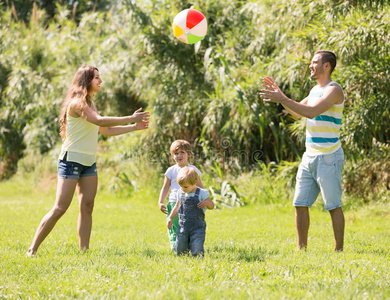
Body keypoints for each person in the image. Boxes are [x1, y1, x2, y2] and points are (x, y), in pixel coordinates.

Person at [26, 65, 150, 256]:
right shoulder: (77, 103)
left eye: (100, 77)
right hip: (71, 160)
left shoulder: (91, 104)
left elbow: (105, 131)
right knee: (60, 208)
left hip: (88, 162)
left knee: (88, 206)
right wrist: (130, 117)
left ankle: (84, 251)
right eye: (96, 78)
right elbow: (100, 121)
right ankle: (32, 249)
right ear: (86, 81)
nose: (100, 81)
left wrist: (133, 127)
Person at [260, 50, 345, 251]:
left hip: (329, 156)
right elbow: (298, 113)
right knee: (299, 202)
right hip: (310, 156)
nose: (310, 65)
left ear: (327, 66)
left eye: (315, 62)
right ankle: (301, 248)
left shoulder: (334, 90)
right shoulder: (315, 89)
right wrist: (281, 98)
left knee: (333, 205)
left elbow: (311, 112)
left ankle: (339, 249)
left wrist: (283, 97)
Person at [158, 140, 204, 250]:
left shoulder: (193, 170)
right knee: (174, 227)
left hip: (190, 203)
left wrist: (204, 199)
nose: (179, 155)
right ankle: (175, 247)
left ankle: (188, 245)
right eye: (176, 153)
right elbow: (165, 187)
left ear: (188, 154)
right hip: (174, 203)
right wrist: (160, 201)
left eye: (182, 152)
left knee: (187, 227)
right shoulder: (171, 171)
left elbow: (200, 187)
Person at [167, 167, 214, 256]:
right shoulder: (180, 193)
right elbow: (177, 206)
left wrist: (206, 203)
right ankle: (183, 258)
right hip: (183, 226)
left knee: (197, 247)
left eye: (185, 187)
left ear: (195, 182)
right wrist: (170, 217)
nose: (182, 188)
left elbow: (212, 206)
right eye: (180, 186)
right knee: (180, 250)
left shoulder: (202, 193)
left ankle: (198, 259)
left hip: (197, 227)